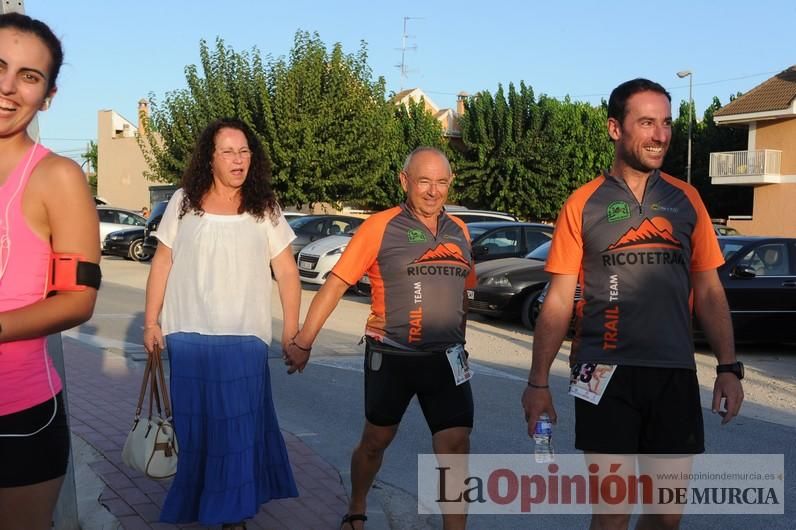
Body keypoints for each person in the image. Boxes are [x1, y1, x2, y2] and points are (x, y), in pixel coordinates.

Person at [521, 78, 744, 529]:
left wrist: (728, 367)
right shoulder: (582, 203)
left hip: (674, 372)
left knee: (666, 516)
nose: (660, 135)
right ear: (614, 129)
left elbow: (709, 291)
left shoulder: (688, 200)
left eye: (665, 123)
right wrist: (538, 382)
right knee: (612, 513)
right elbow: (560, 298)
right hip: (603, 371)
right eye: (646, 123)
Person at [285, 147, 476, 530]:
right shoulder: (380, 226)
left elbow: (463, 295)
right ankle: (357, 505)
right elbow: (336, 283)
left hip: (447, 361)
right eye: (424, 181)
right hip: (393, 357)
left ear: (451, 183)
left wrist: (461, 343)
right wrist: (304, 340)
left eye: (441, 182)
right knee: (375, 442)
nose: (433, 191)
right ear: (404, 181)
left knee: (455, 449)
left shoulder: (461, 231)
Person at [142, 118, 302, 529]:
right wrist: (150, 322)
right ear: (209, 158)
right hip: (188, 336)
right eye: (228, 151)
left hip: (244, 339)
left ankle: (232, 516)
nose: (238, 159)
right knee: (196, 432)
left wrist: (291, 329)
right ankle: (203, 506)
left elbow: (286, 272)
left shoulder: (263, 207)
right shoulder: (182, 202)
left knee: (236, 432)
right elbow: (162, 262)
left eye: (244, 151)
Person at [0, 13, 101, 530]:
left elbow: (77, 299)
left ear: (49, 95)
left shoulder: (56, 177)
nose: (7, 87)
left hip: (17, 416)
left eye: (29, 76)